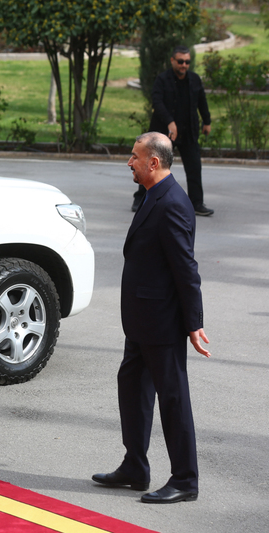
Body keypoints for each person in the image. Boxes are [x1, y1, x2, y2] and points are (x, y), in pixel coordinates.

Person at [93, 132, 211, 504]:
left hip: (162, 322)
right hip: (141, 320)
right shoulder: (153, 194)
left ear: (153, 162)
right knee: (131, 387)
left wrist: (193, 323)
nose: (129, 162)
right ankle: (135, 466)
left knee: (173, 399)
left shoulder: (173, 203)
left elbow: (186, 269)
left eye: (134, 157)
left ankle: (185, 480)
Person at [132, 45, 213, 216]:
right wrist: (170, 122)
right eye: (181, 61)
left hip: (188, 131)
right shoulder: (162, 79)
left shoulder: (194, 79)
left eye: (187, 62)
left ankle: (196, 203)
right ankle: (140, 199)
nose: (184, 65)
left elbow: (202, 101)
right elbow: (157, 102)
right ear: (172, 61)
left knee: (194, 167)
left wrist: (207, 121)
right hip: (164, 133)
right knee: (152, 165)